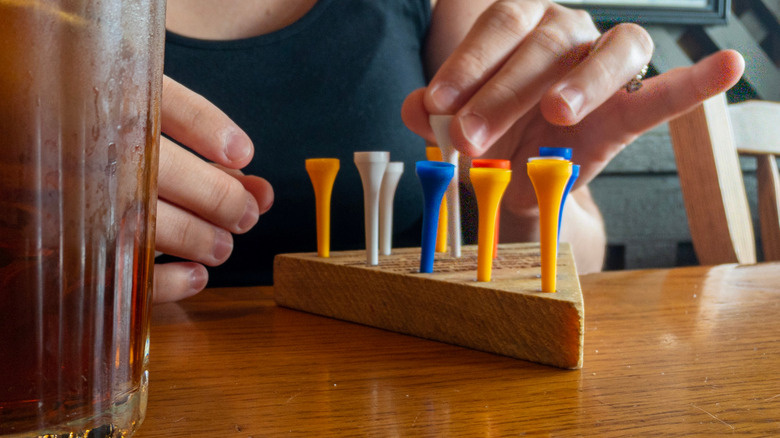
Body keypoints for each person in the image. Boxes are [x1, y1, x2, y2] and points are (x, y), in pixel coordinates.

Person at [153, 0, 745, 303]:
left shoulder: (443, 4)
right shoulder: (65, 23)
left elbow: (580, 262)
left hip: (416, 387)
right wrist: (60, 276)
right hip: (119, 380)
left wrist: (531, 205)